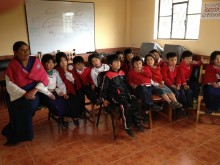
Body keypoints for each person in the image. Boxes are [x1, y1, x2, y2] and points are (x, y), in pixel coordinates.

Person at [1, 41, 56, 145]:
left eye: (27, 50)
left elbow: (44, 78)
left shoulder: (35, 61)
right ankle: (14, 131)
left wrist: (34, 90)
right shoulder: (12, 65)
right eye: (22, 50)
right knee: (17, 106)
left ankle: (14, 132)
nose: (26, 53)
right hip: (20, 92)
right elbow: (10, 84)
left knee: (29, 105)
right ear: (15, 52)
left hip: (37, 91)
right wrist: (24, 93)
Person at [100, 54, 144, 137]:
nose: (118, 63)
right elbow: (103, 89)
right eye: (115, 62)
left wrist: (131, 93)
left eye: (119, 62)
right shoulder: (107, 75)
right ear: (110, 64)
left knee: (135, 102)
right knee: (126, 105)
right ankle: (128, 127)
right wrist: (104, 99)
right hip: (115, 96)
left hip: (125, 94)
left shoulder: (122, 72)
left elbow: (126, 85)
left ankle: (137, 123)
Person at [127, 56, 162, 124]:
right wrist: (133, 85)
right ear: (133, 64)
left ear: (142, 63)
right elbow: (129, 81)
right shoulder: (131, 72)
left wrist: (143, 71)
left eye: (140, 63)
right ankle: (151, 105)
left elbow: (150, 75)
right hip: (139, 88)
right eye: (136, 64)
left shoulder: (145, 68)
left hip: (149, 86)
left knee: (146, 91)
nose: (138, 65)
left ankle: (147, 113)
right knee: (143, 89)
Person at [41, 54, 73, 127]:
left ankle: (63, 117)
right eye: (48, 62)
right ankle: (58, 115)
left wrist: (64, 93)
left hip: (55, 91)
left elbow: (60, 83)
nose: (50, 64)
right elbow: (42, 87)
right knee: (55, 103)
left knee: (64, 99)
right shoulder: (42, 73)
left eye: (52, 62)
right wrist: (50, 94)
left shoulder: (55, 72)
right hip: (45, 93)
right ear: (43, 63)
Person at [55, 52, 82, 126]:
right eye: (61, 61)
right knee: (64, 101)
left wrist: (66, 71)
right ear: (58, 62)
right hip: (61, 90)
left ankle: (75, 116)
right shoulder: (56, 70)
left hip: (71, 89)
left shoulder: (70, 68)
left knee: (75, 99)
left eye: (65, 60)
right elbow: (59, 83)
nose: (63, 62)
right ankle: (64, 118)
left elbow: (74, 80)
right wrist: (64, 71)